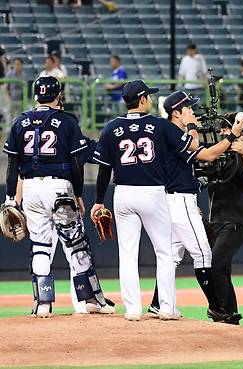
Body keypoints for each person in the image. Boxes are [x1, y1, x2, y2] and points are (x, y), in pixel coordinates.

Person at [90, 80, 202, 321]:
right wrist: (192, 125)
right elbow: (193, 145)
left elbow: (103, 170)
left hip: (123, 194)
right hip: (152, 193)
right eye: (148, 96)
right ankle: (167, 308)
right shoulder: (159, 125)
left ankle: (132, 310)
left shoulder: (111, 128)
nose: (150, 99)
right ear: (142, 100)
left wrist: (99, 200)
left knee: (127, 253)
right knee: (164, 252)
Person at [2, 76, 114, 317]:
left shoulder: (19, 122)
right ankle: (89, 301)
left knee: (40, 245)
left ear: (35, 96)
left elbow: (13, 164)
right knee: (75, 243)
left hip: (30, 189)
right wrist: (79, 192)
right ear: (57, 96)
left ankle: (42, 305)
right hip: (59, 188)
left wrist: (11, 198)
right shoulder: (66, 121)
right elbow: (76, 161)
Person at [145, 91, 243, 321]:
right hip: (179, 200)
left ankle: (155, 304)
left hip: (174, 199)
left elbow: (201, 153)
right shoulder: (173, 132)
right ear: (176, 113)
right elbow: (209, 154)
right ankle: (217, 306)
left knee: (171, 256)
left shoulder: (172, 137)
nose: (192, 111)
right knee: (203, 254)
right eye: (187, 108)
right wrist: (233, 136)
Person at [207, 113, 243, 325]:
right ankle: (230, 317)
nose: (222, 133)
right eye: (221, 129)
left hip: (236, 221)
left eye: (226, 129)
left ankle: (221, 310)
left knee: (216, 263)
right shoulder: (216, 156)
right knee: (223, 268)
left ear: (242, 133)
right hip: (215, 222)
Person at [3, 58, 26, 127]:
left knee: (20, 118)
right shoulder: (10, 74)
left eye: (18, 64)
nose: (17, 66)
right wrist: (8, 98)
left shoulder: (24, 75)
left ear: (21, 65)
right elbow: (6, 87)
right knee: (9, 117)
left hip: (20, 100)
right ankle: (9, 133)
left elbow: (25, 88)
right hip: (11, 99)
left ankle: (18, 132)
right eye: (15, 64)